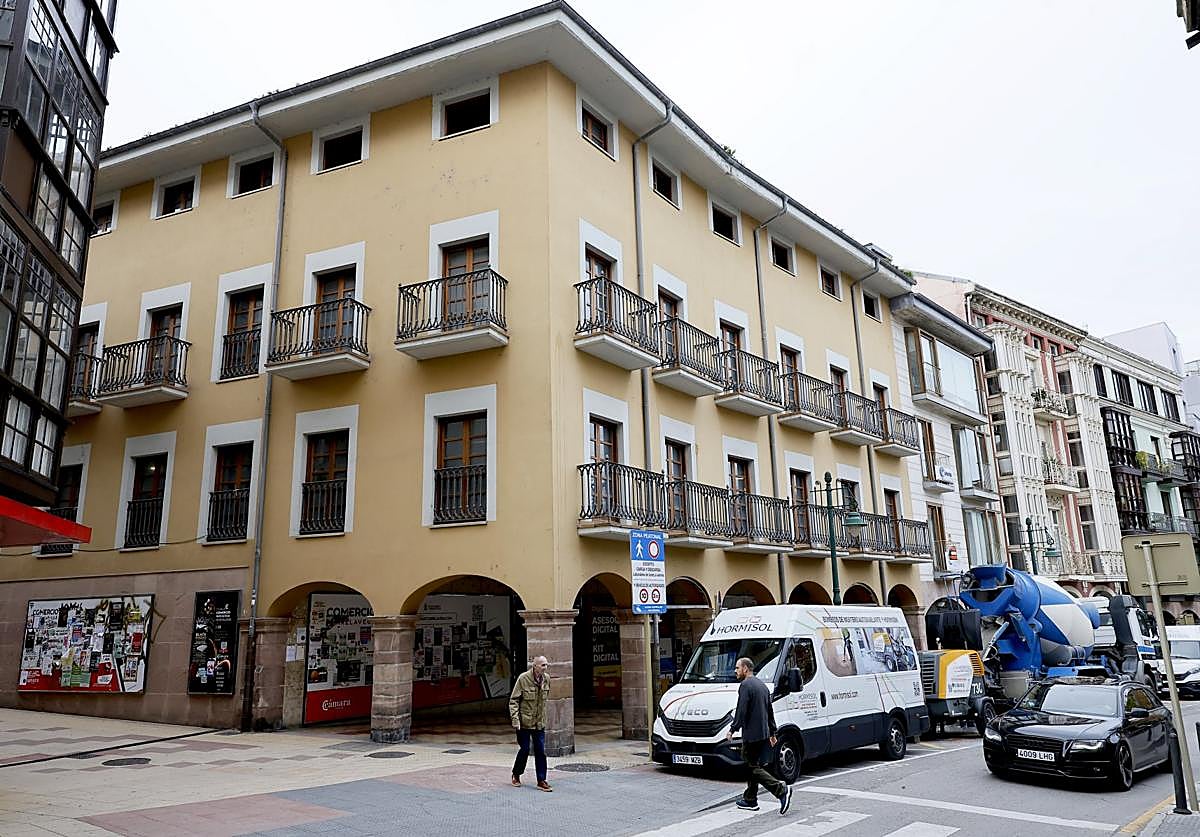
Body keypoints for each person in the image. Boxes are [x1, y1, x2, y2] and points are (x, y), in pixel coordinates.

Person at [725, 656, 792, 815]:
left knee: (751, 767)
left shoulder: (746, 685)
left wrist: (733, 729)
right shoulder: (762, 686)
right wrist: (772, 732)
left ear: (745, 669)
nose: (735, 671)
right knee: (753, 766)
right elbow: (770, 711)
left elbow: (742, 710)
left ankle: (781, 790)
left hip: (752, 735)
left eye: (737, 668)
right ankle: (750, 800)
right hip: (762, 734)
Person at [509, 655, 552, 792]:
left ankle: (541, 780)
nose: (545, 667)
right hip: (524, 723)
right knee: (525, 749)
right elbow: (514, 701)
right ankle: (516, 773)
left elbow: (544, 700)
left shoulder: (547, 679)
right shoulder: (523, 679)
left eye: (546, 665)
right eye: (543, 665)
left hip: (539, 723)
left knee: (540, 750)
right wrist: (515, 720)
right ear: (535, 666)